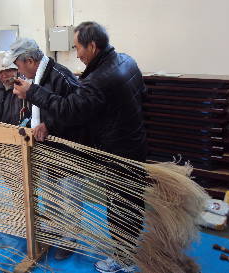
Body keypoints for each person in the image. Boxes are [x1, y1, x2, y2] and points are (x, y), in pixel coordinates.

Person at [13, 22, 147, 273]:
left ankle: (124, 259)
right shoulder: (126, 61)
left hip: (118, 149)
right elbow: (142, 93)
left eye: (78, 48)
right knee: (129, 203)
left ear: (93, 46)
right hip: (133, 140)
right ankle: (126, 253)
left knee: (120, 206)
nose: (77, 54)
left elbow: (71, 111)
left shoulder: (97, 79)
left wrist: (33, 93)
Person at [8, 38, 87, 260]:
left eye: (18, 65)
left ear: (30, 60)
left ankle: (70, 238)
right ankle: (55, 231)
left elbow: (78, 114)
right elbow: (42, 107)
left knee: (69, 195)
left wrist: (50, 126)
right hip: (47, 148)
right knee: (51, 192)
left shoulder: (61, 77)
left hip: (69, 149)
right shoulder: (37, 77)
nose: (18, 71)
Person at [0, 51, 30, 125]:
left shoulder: (25, 85)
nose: (4, 75)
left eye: (8, 70)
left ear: (16, 70)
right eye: (0, 72)